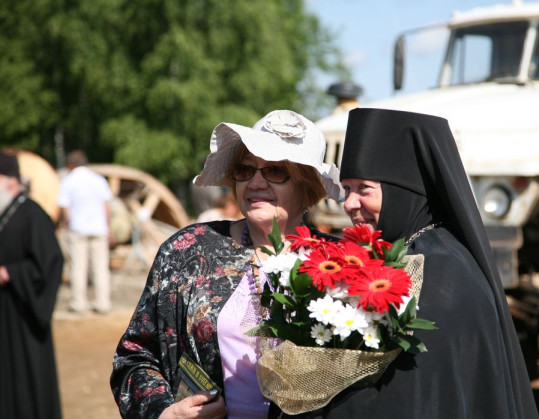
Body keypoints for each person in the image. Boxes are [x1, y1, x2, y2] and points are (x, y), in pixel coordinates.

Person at [110, 110, 343, 418]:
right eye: (245, 169)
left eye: (275, 170)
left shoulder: (342, 262)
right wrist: (165, 412)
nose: (255, 182)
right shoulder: (189, 250)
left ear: (308, 187)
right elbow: (135, 356)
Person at [322, 108, 539, 418]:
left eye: (364, 189)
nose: (350, 203)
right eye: (346, 189)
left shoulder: (441, 271)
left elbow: (412, 392)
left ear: (403, 192)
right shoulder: (410, 250)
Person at [0, 152, 64, 419]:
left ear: (9, 180)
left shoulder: (32, 213)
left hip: (26, 313)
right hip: (5, 311)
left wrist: (10, 273)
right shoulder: (5, 213)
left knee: (28, 381)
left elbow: (50, 261)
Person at [57, 150, 113, 314]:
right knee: (100, 268)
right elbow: (106, 207)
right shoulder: (98, 180)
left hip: (77, 228)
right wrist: (108, 227)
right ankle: (102, 303)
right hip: (99, 228)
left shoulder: (68, 181)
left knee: (78, 268)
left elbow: (65, 208)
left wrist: (67, 225)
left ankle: (78, 303)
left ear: (70, 165)